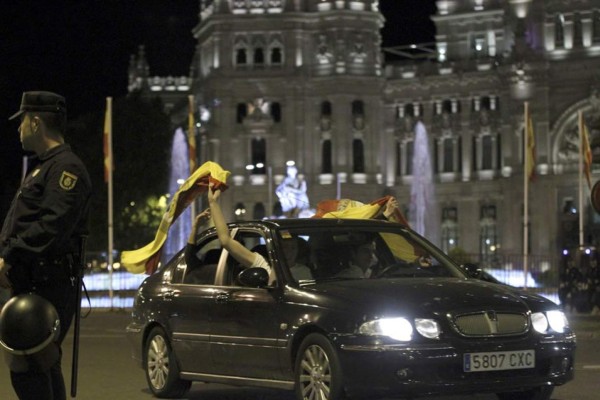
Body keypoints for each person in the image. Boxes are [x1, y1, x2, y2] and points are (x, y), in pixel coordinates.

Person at [0, 91, 92, 400]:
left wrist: (9, 256)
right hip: (32, 282)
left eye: (22, 121)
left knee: (29, 367)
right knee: (41, 366)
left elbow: (52, 225)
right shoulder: (44, 167)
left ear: (36, 122)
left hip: (48, 283)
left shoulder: (67, 169)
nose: (18, 128)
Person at [207, 184, 272, 279]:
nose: (289, 252)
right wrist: (213, 203)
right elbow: (225, 240)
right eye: (286, 247)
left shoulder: (301, 269)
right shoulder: (264, 265)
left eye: (292, 247)